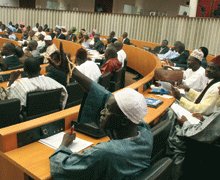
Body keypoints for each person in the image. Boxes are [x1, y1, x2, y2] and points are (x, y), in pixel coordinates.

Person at [49, 65, 153, 179]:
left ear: (123, 121)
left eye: (108, 109)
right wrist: (72, 71)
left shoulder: (105, 152)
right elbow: (106, 96)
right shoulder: (145, 132)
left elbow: (61, 168)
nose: (102, 111)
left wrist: (64, 145)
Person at [166, 86, 220, 180]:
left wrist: (185, 123)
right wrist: (204, 119)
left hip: (210, 149)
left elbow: (198, 134)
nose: (218, 87)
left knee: (175, 136)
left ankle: (177, 175)